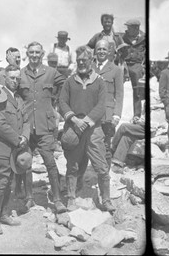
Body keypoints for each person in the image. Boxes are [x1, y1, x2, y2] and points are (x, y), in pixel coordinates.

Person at [58, 45, 114, 212]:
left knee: (102, 167)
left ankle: (106, 200)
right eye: (79, 60)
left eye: (85, 60)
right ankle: (71, 198)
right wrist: (74, 119)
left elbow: (101, 105)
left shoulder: (99, 82)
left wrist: (88, 121)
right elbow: (62, 102)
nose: (81, 62)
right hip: (74, 128)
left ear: (92, 60)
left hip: (93, 129)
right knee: (73, 165)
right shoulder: (69, 81)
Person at [18, 41, 67, 213]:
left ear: (42, 53)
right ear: (27, 53)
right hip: (26, 126)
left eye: (37, 52)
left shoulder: (51, 72)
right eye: (31, 52)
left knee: (50, 163)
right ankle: (29, 197)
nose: (34, 55)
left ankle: (58, 200)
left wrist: (58, 106)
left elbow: (67, 85)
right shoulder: (20, 73)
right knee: (26, 163)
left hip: (45, 126)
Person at [0, 65, 30, 234]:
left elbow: (26, 120)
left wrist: (25, 137)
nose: (15, 81)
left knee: (9, 182)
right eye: (12, 78)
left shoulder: (18, 98)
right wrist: (17, 139)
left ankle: (4, 213)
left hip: (16, 148)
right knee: (1, 183)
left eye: (18, 78)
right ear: (4, 77)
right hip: (2, 148)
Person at [121, 19, 146, 121]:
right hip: (124, 65)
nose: (127, 29)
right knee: (116, 87)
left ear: (136, 28)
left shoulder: (144, 38)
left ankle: (137, 115)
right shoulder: (122, 37)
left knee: (138, 91)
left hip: (137, 66)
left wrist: (143, 66)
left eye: (129, 27)